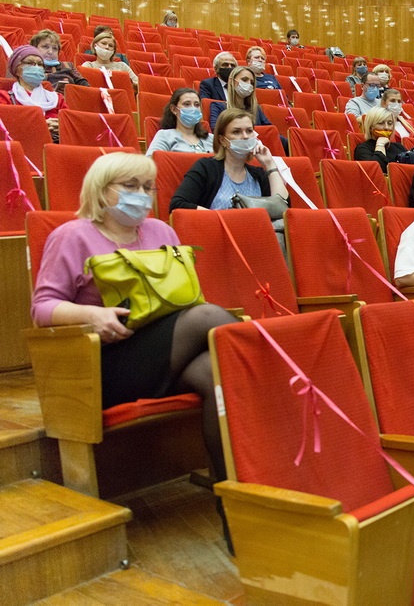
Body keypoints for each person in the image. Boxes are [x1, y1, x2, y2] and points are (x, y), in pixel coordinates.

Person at [31, 152, 238, 484]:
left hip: (168, 354)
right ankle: (273, 372)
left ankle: (231, 499)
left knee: (216, 376)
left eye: (148, 187)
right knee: (206, 316)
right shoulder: (72, 235)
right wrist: (92, 314)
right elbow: (42, 308)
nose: (141, 195)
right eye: (130, 186)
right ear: (100, 189)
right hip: (107, 362)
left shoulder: (160, 232)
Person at [170, 108, 288, 212]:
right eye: (236, 132)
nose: (245, 136)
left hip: (253, 234)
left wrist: (270, 165)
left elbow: (282, 208)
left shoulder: (258, 175)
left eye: (249, 131)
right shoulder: (207, 167)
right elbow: (178, 205)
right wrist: (223, 219)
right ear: (222, 140)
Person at [0, 45, 66, 141]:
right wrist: (40, 127)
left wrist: (61, 126)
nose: (36, 67)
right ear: (17, 70)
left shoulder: (57, 98)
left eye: (40, 64)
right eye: (30, 63)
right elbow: (5, 129)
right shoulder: (5, 98)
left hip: (56, 145)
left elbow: (70, 125)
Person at [145, 88, 213, 155]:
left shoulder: (211, 138)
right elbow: (151, 160)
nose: (193, 108)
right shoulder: (165, 135)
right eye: (186, 104)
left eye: (197, 105)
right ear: (174, 109)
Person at [208, 66, 272, 131]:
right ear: (231, 81)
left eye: (252, 82)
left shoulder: (256, 109)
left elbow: (270, 131)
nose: (249, 84)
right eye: (244, 80)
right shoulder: (218, 107)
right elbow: (216, 130)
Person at [30, 29, 88, 94]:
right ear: (34, 48)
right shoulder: (29, 66)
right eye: (45, 47)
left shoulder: (68, 66)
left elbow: (84, 86)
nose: (50, 52)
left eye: (55, 48)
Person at [353, 107, 406, 172]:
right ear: (370, 127)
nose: (386, 127)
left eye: (390, 123)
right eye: (381, 123)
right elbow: (375, 171)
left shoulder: (399, 147)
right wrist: (380, 145)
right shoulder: (363, 149)